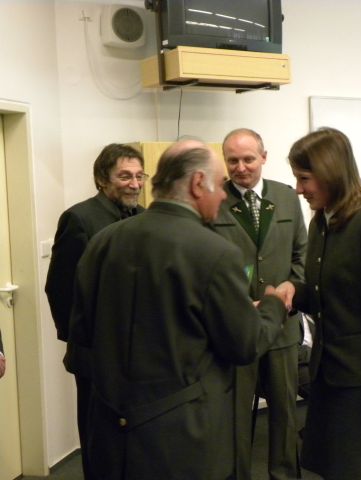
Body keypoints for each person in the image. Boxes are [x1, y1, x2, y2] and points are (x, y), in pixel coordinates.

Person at [68, 140, 290, 480]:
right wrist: (273, 304)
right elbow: (245, 344)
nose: (224, 196)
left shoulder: (103, 241)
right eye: (221, 185)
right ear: (198, 183)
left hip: (110, 433)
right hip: (182, 440)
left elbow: (82, 332)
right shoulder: (215, 252)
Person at [280, 127, 361, 480]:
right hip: (331, 378)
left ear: (330, 172)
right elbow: (329, 296)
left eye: (304, 178)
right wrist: (294, 291)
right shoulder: (323, 223)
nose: (298, 189)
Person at [45, 143, 146, 480]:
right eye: (125, 176)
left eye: (139, 176)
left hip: (139, 354)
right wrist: (86, 343)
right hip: (97, 356)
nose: (134, 184)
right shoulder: (80, 218)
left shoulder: (145, 216)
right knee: (100, 444)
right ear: (102, 179)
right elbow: (60, 290)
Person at [213, 128, 307, 480]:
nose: (241, 167)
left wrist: (291, 285)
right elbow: (206, 263)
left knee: (285, 410)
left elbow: (302, 253)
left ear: (264, 157)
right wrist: (234, 300)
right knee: (235, 414)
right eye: (233, 160)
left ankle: (284, 474)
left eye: (248, 159)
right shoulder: (214, 198)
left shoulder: (286, 197)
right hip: (237, 326)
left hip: (282, 324)